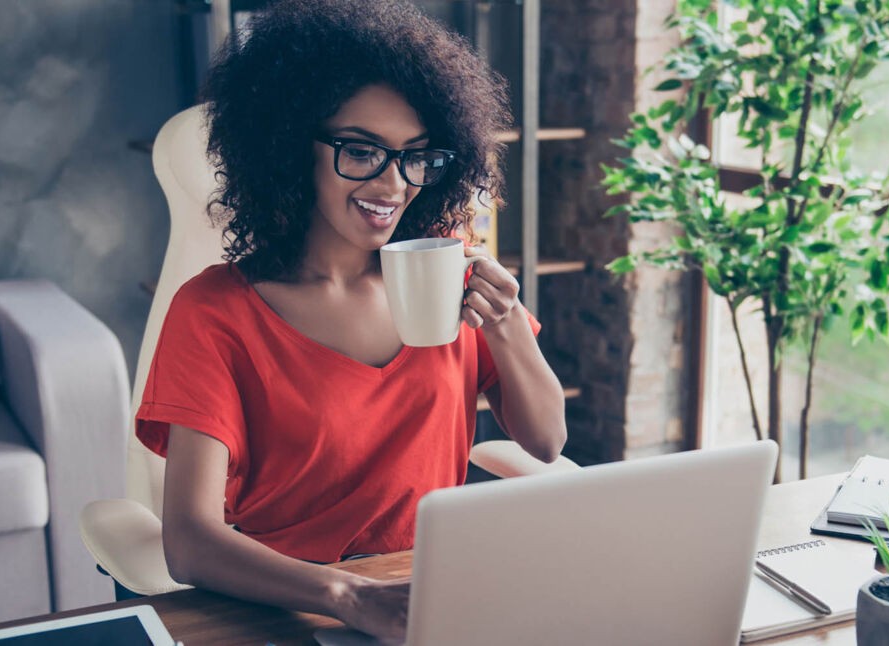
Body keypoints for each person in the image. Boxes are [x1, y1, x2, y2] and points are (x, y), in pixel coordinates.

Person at [133, 0, 568, 641]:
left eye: (416, 156)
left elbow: (547, 441)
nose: (393, 185)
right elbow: (190, 544)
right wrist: (349, 596)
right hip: (285, 605)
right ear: (289, 146)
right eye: (361, 151)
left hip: (427, 592)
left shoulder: (450, 274)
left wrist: (503, 325)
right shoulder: (214, 313)